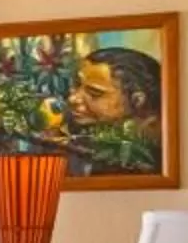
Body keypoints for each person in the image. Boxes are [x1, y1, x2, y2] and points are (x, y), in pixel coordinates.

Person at [47, 45, 163, 175]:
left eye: (94, 93)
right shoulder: (77, 134)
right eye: (77, 85)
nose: (73, 98)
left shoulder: (148, 152)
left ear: (137, 100)